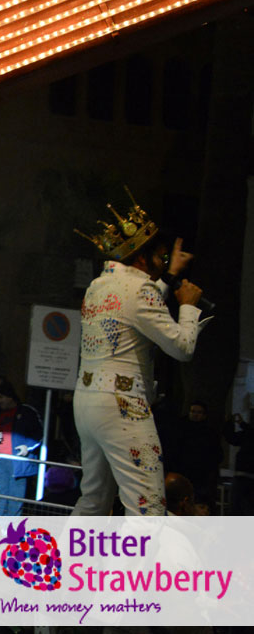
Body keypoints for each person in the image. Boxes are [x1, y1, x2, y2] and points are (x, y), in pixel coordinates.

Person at [72, 192, 205, 516]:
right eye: (159, 257)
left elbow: (139, 305)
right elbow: (182, 348)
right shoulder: (141, 291)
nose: (161, 264)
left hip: (87, 401)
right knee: (147, 509)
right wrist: (188, 306)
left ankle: (68, 567)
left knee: (93, 499)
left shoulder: (99, 286)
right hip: (123, 405)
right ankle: (131, 569)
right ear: (142, 259)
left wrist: (170, 273)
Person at [0, 380, 42, 516]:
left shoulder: (27, 411)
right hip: (0, 461)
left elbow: (39, 433)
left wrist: (28, 446)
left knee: (16, 499)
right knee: (0, 498)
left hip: (19, 461)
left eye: (1, 397)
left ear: (10, 396)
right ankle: (0, 530)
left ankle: (12, 533)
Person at [163, 400, 224, 511]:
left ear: (204, 415)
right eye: (193, 411)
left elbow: (216, 454)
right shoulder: (179, 429)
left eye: (199, 412)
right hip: (182, 473)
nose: (195, 415)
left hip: (201, 477)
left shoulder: (209, 433)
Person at [223, 412, 254, 515]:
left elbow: (233, 438)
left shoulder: (248, 434)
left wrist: (239, 424)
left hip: (242, 474)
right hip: (243, 474)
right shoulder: (248, 433)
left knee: (237, 507)